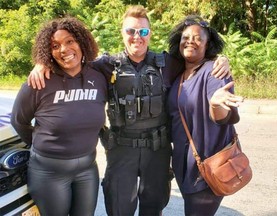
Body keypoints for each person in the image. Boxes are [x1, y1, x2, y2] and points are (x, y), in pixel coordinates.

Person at [27, 6, 231, 216]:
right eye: (130, 31)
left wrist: (220, 59)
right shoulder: (105, 66)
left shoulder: (168, 63)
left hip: (157, 150)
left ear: (149, 34)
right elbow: (71, 60)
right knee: (119, 208)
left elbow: (196, 57)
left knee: (153, 207)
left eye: (143, 31)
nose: (137, 37)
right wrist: (42, 63)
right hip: (121, 150)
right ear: (122, 34)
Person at [11, 17, 107, 216]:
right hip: (48, 172)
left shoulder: (98, 77)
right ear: (48, 52)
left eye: (70, 41)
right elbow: (18, 121)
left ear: (82, 42)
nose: (64, 49)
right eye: (55, 45)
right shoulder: (38, 82)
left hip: (87, 169)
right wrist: (40, 144)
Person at [167, 15, 244, 215]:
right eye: (185, 37)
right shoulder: (179, 73)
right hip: (185, 167)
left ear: (207, 43)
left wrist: (216, 104)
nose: (190, 41)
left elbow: (222, 117)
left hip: (207, 169)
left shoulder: (214, 71)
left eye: (197, 37)